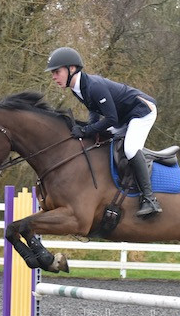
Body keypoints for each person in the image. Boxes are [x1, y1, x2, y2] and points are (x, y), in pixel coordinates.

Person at [45, 47, 161, 217]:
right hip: (123, 117)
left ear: (71, 69)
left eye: (56, 72)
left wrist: (85, 130)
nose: (54, 77)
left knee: (129, 149)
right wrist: (90, 128)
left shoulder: (94, 86)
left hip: (142, 111)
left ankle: (150, 199)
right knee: (105, 141)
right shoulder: (77, 87)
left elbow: (111, 119)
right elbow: (94, 109)